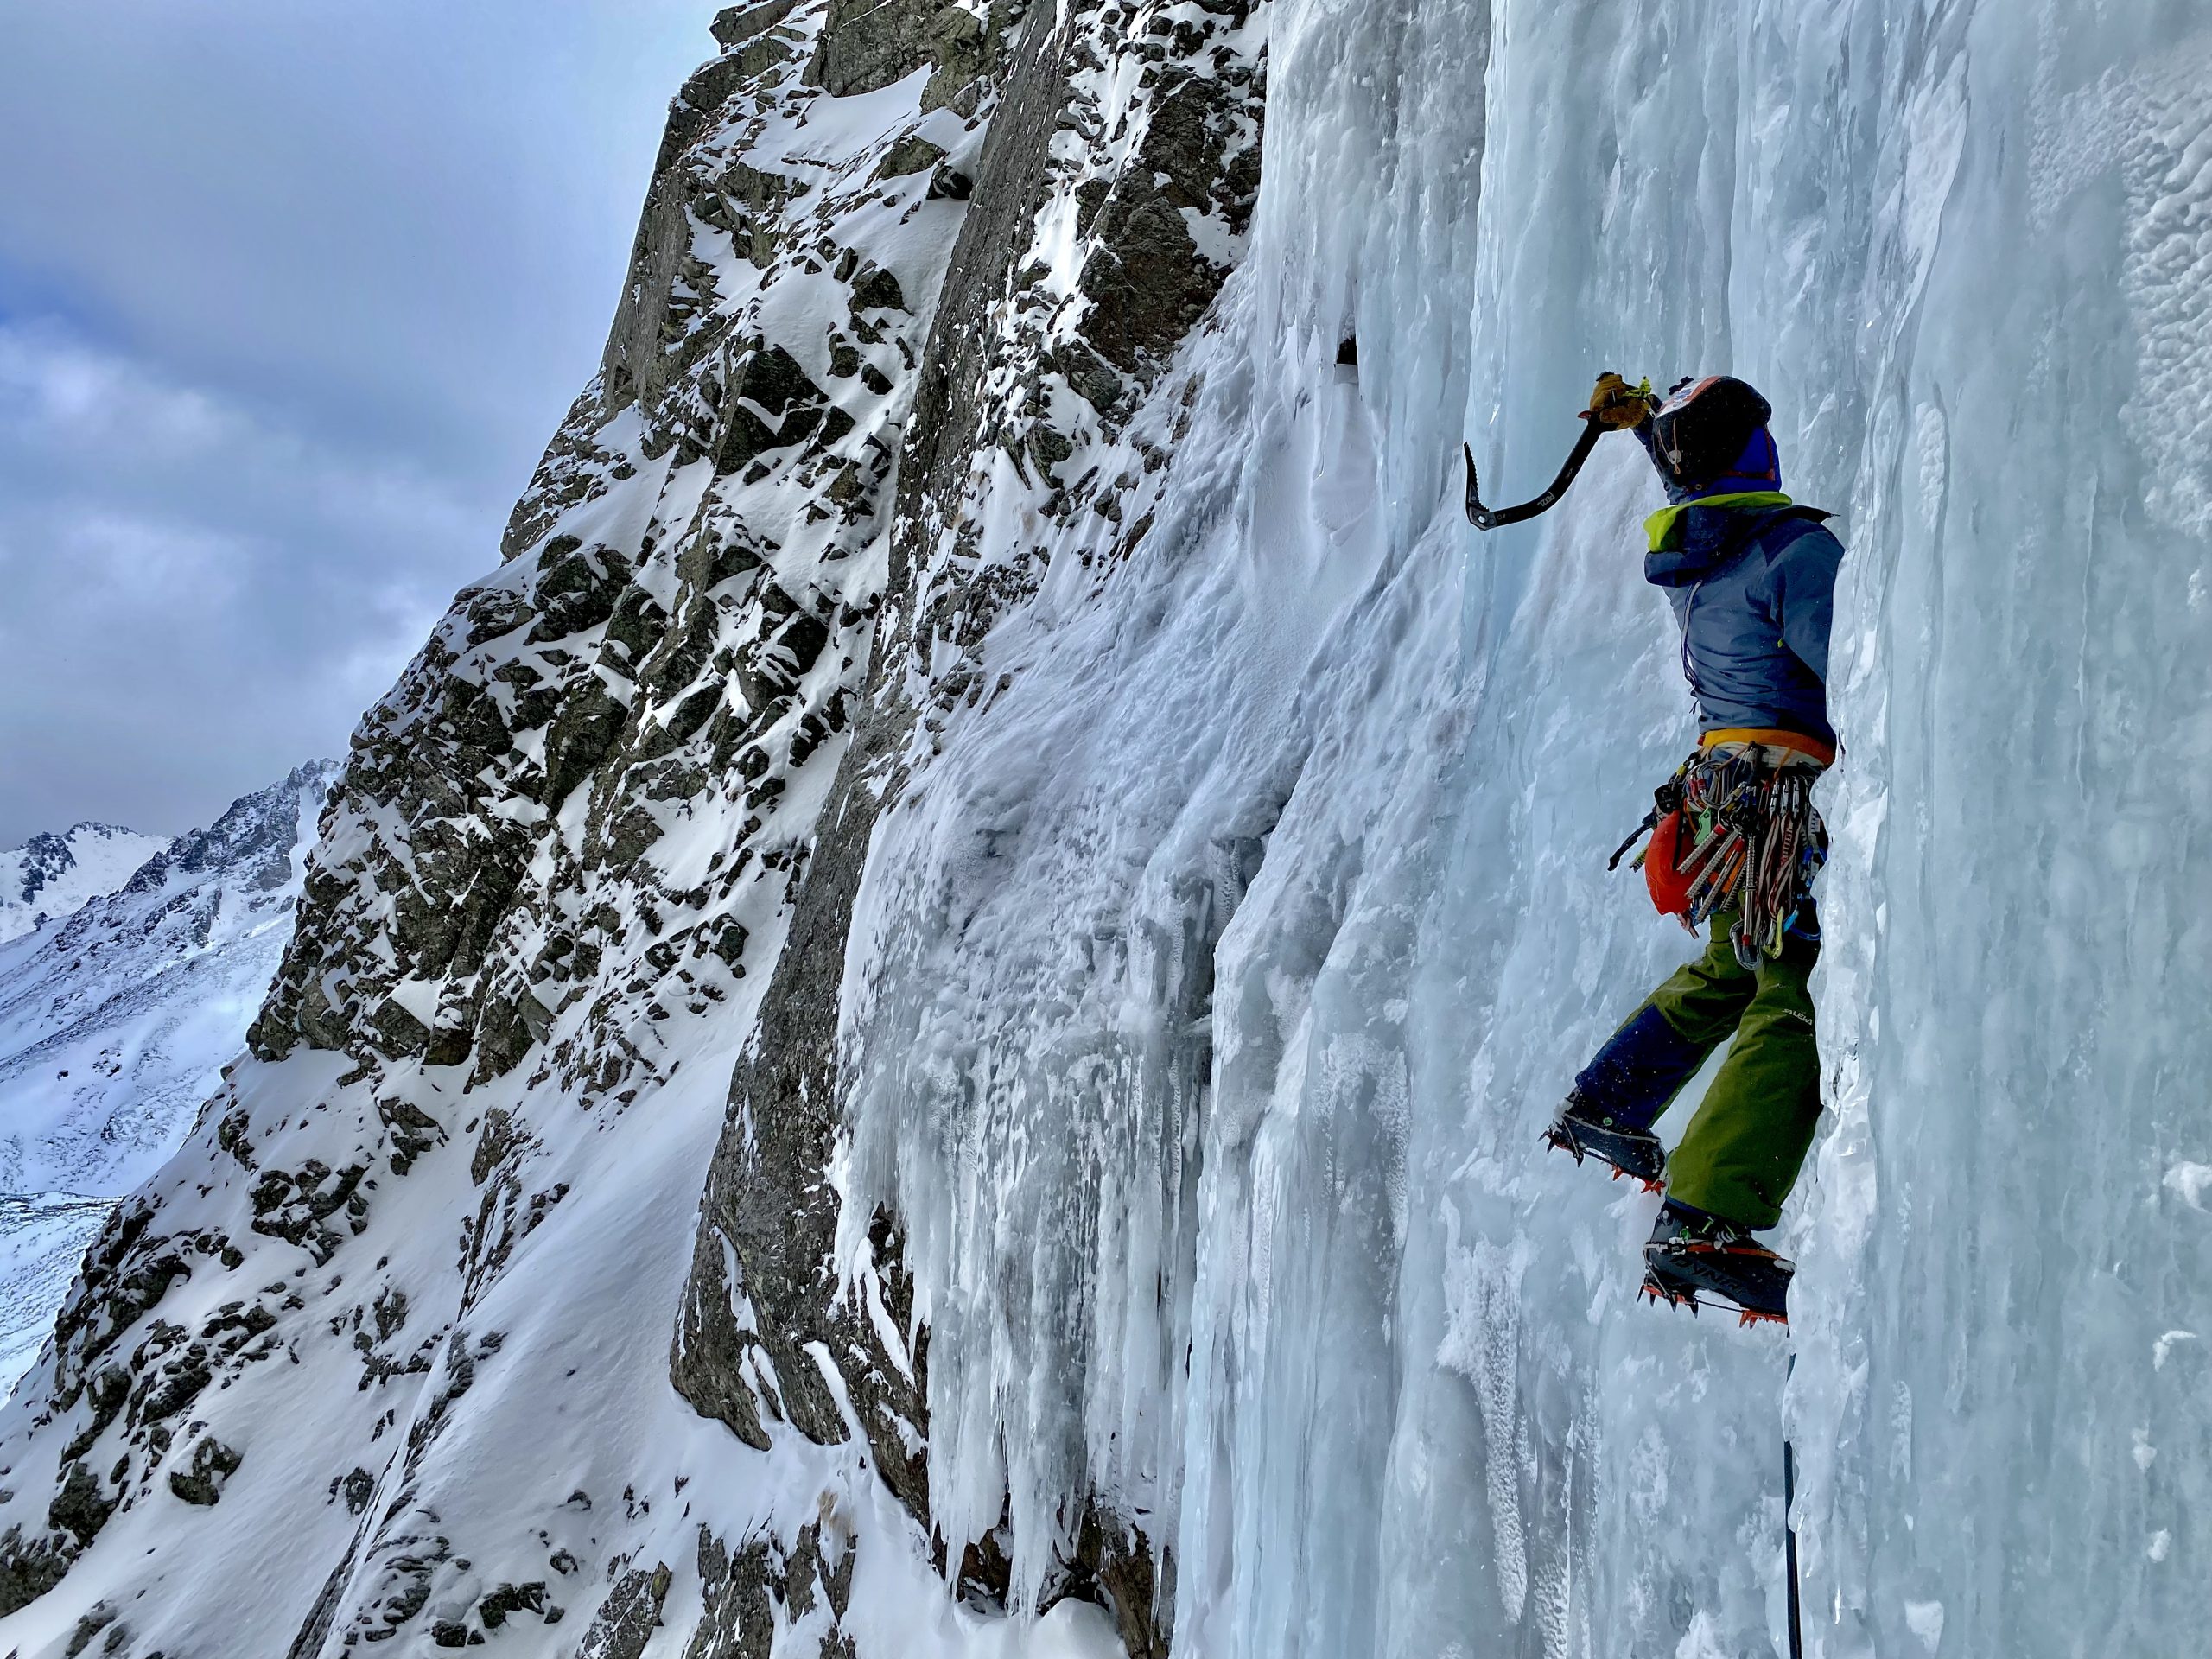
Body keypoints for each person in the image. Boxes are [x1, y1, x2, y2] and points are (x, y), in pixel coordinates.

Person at [1544, 372, 1845, 1324]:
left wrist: (1645, 432)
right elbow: (1852, 671)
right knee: (1792, 993)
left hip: (1718, 800)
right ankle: (1704, 1219)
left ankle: (1608, 1102)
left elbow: (1695, 486)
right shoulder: (1795, 552)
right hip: (1774, 806)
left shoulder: (1696, 559)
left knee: (1729, 967)